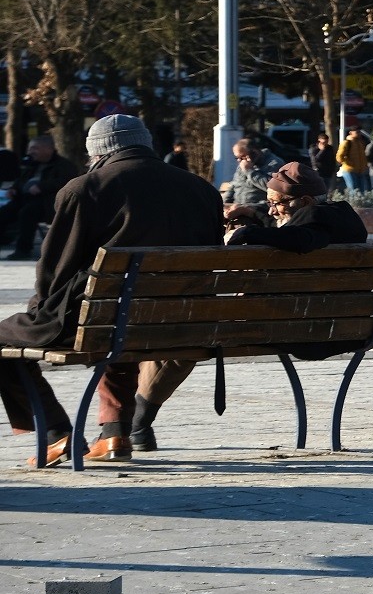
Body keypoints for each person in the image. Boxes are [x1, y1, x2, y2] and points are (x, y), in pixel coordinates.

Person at [0, 115, 223, 465]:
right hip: (180, 320)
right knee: (119, 321)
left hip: (107, 316)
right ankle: (114, 432)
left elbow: (57, 270)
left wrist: (39, 311)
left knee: (6, 336)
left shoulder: (86, 188)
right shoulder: (202, 189)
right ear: (145, 143)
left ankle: (57, 433)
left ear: (99, 150)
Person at [128, 162, 369, 452]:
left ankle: (136, 425)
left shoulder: (314, 223)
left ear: (303, 201)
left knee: (180, 338)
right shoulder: (341, 220)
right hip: (343, 326)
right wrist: (255, 219)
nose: (271, 210)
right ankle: (135, 425)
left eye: (275, 204)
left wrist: (246, 235)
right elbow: (300, 231)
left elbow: (305, 237)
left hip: (291, 330)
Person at [0, 135, 81, 260]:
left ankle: (23, 250)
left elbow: (68, 183)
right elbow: (20, 180)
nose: (30, 152)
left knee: (27, 213)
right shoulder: (32, 165)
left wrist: (42, 187)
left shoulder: (64, 165)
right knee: (4, 212)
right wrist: (14, 189)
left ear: (48, 149)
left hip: (48, 203)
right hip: (25, 199)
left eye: (34, 148)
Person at [223, 138, 285, 228]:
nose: (239, 161)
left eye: (242, 157)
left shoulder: (274, 163)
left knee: (241, 220)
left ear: (255, 152)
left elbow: (271, 187)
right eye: (237, 158)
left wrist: (249, 171)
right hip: (237, 204)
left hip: (259, 207)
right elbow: (234, 186)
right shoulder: (242, 164)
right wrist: (224, 203)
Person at [335, 128, 370, 192]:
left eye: (359, 132)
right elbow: (339, 157)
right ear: (351, 133)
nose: (359, 134)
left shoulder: (360, 143)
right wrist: (348, 163)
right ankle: (353, 202)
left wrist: (364, 166)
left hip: (360, 170)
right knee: (353, 190)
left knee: (361, 190)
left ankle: (360, 202)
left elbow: (363, 157)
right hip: (349, 170)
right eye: (357, 132)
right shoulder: (347, 143)